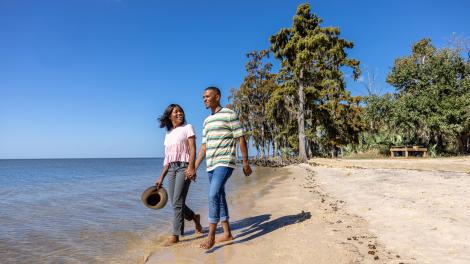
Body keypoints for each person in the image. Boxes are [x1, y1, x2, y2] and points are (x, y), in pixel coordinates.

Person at [191, 86, 252, 249]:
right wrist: (194, 167)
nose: (204, 99)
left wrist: (245, 162)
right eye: (203, 97)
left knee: (212, 194)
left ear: (217, 97)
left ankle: (211, 236)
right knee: (220, 195)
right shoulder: (206, 121)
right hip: (210, 164)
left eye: (207, 96)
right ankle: (227, 233)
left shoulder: (229, 114)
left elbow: (241, 138)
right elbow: (204, 147)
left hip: (225, 162)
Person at [155, 104, 202, 246]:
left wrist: (192, 167)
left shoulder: (188, 127)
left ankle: (175, 235)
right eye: (176, 112)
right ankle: (194, 218)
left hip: (184, 167)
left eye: (181, 111)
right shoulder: (168, 134)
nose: (179, 113)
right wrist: (161, 177)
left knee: (177, 201)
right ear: (170, 116)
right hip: (171, 169)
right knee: (176, 202)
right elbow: (167, 158)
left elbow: (193, 149)